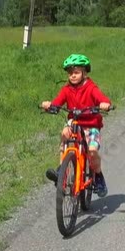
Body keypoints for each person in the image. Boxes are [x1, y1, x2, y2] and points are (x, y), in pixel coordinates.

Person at [42, 54, 112, 197]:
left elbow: (102, 99)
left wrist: (105, 104)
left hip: (91, 124)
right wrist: (50, 105)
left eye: (76, 72)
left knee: (92, 151)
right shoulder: (67, 89)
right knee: (65, 134)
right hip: (74, 121)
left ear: (84, 73)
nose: (72, 76)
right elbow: (58, 102)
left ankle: (98, 177)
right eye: (70, 73)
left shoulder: (91, 87)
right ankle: (62, 170)